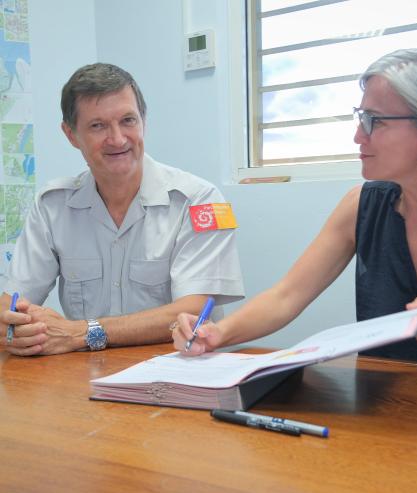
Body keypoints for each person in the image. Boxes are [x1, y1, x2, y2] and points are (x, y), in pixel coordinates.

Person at [173, 47, 417, 370]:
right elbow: (287, 296)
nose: (358, 135)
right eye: (360, 117)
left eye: (375, 121)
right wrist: (216, 333)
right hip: (384, 408)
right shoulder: (361, 205)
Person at [0, 63, 244, 356]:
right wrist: (13, 324)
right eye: (98, 126)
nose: (117, 139)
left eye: (128, 120)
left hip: (181, 371)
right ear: (71, 135)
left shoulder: (201, 201)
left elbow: (193, 311)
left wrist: (80, 332)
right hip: (83, 376)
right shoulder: (52, 206)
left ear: (144, 122)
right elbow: (14, 302)